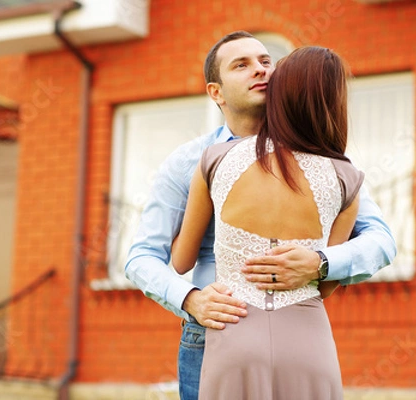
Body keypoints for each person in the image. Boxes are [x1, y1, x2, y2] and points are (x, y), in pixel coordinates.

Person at [125, 31, 396, 400]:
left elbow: (381, 241)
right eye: (242, 65)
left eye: (266, 61)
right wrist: (191, 299)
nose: (260, 70)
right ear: (216, 92)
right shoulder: (190, 161)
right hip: (208, 332)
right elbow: (141, 256)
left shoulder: (325, 165)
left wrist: (320, 262)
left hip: (295, 331)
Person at [172, 45, 362, 399]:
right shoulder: (348, 177)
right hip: (308, 342)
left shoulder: (214, 159)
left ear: (278, 94)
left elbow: (182, 261)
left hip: (233, 333)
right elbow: (324, 284)